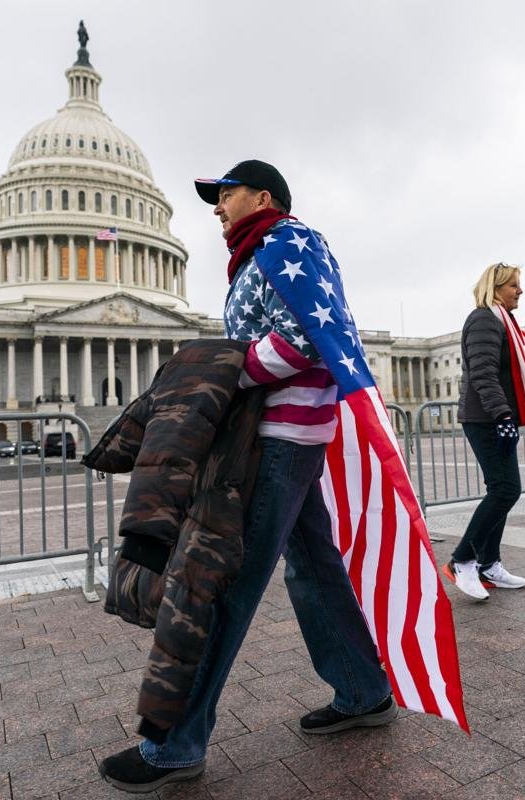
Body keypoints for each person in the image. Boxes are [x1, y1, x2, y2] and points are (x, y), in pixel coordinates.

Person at [99, 160, 395, 793]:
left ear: (264, 196)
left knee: (223, 585)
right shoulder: (267, 251)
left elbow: (307, 339)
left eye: (225, 195)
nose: (216, 207)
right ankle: (364, 690)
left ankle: (174, 745)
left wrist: (219, 373)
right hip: (290, 435)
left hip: (280, 439)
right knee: (313, 565)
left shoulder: (283, 244)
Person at [441, 263, 525, 602]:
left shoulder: (503, 321)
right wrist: (503, 414)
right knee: (505, 490)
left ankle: (489, 563)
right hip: (486, 418)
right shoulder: (484, 319)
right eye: (513, 285)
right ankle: (463, 559)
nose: (520, 291)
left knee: (503, 489)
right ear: (496, 288)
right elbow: (482, 373)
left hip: (495, 415)